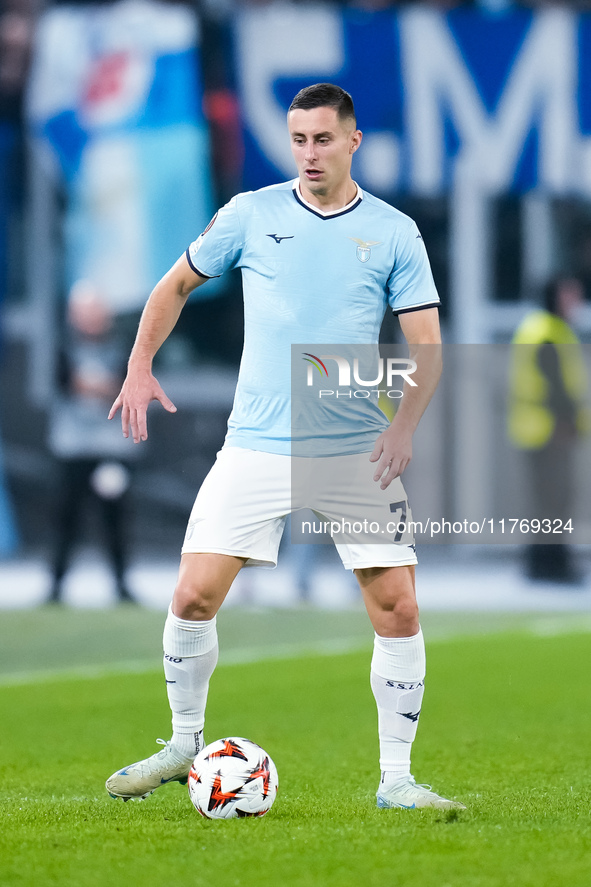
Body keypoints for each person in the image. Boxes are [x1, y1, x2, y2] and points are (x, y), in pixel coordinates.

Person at [105, 83, 464, 810]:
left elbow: (426, 346)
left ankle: (396, 779)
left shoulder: (393, 232)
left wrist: (402, 428)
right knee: (193, 594)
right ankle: (182, 742)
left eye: (322, 139)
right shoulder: (250, 213)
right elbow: (173, 286)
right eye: (297, 139)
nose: (308, 153)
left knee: (396, 607)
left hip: (354, 447)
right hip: (257, 444)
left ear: (352, 141)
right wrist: (139, 364)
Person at [47, 280, 137, 604]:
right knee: (67, 519)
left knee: (115, 520)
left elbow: (125, 385)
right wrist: (98, 387)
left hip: (112, 446)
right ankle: (55, 586)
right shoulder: (62, 347)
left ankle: (122, 584)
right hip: (73, 448)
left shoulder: (123, 347)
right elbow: (65, 384)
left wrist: (93, 386)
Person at [508, 276, 589, 584]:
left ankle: (544, 564)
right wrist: (567, 422)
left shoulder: (541, 328)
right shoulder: (547, 332)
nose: (577, 302)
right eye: (571, 295)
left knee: (547, 502)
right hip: (548, 430)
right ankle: (551, 566)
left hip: (537, 429)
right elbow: (555, 386)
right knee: (553, 502)